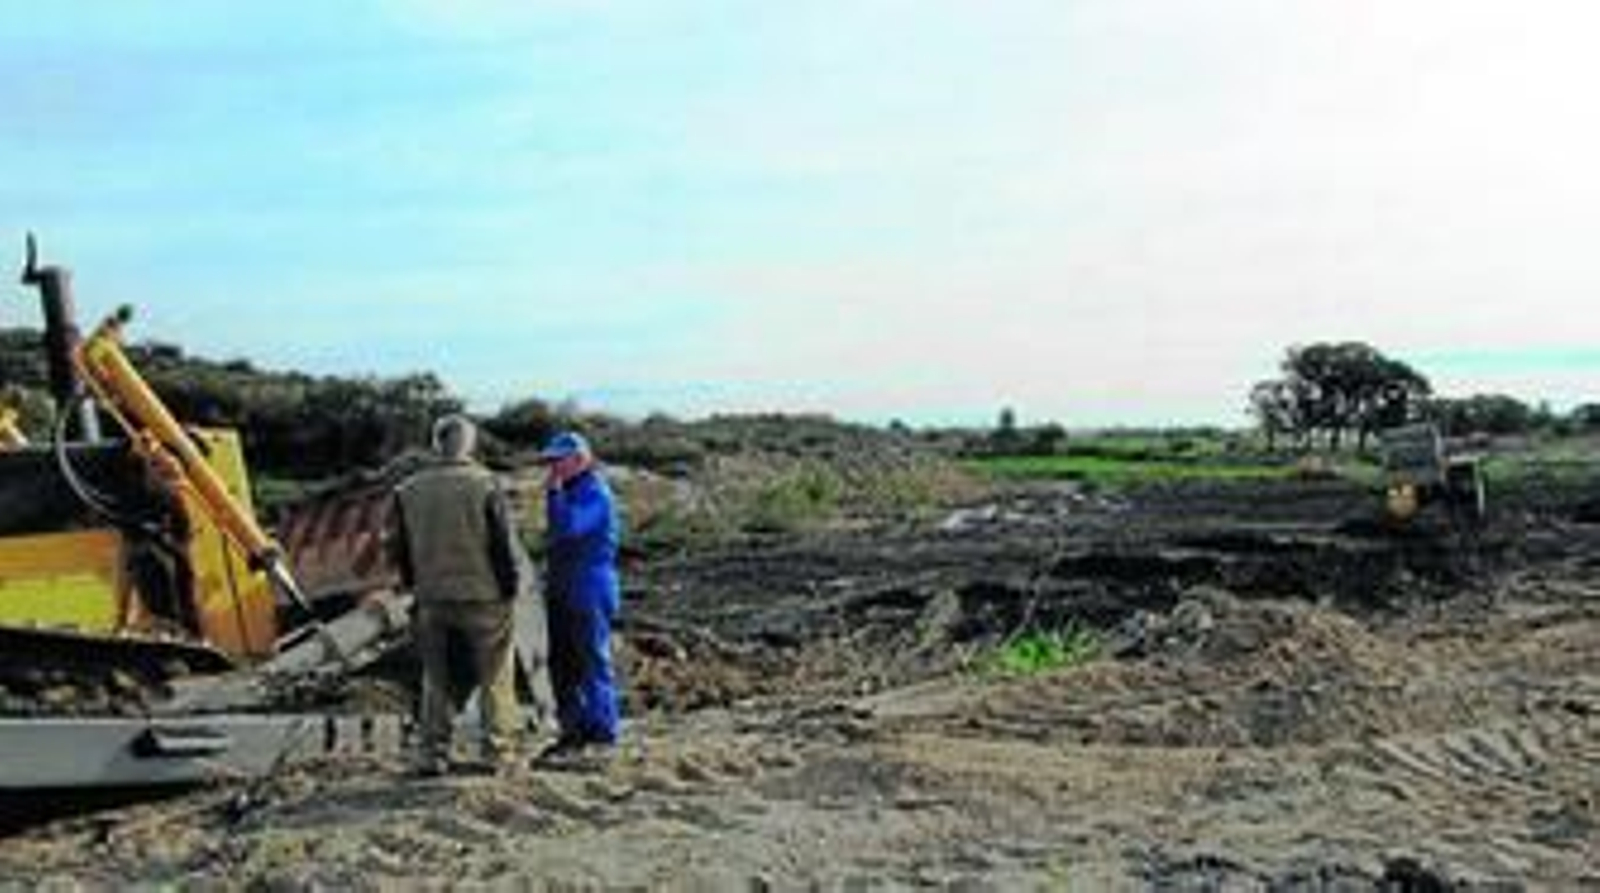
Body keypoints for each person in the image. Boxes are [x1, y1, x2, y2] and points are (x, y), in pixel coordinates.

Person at [392, 414, 528, 775]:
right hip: (484, 596)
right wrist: (510, 588)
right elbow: (501, 544)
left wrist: (414, 588)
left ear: (437, 444)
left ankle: (432, 753)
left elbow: (400, 550)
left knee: (436, 680)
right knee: (495, 676)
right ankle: (497, 752)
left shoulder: (408, 490)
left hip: (432, 597)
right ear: (469, 444)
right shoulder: (484, 484)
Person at [536, 430, 622, 760]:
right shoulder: (572, 489)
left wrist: (554, 495)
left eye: (559, 461)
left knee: (591, 661)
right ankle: (571, 730)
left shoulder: (594, 492)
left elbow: (570, 528)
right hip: (563, 584)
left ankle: (602, 732)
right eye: (550, 462)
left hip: (589, 586)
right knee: (562, 663)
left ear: (580, 459)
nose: (553, 468)